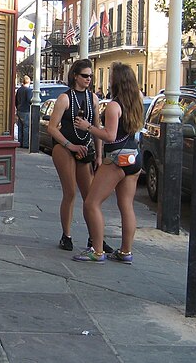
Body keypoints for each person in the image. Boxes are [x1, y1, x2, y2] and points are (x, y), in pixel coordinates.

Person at [72, 62, 143, 263]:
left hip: (116, 159)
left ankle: (97, 250)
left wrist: (88, 127)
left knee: (92, 203)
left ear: (117, 81)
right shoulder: (136, 101)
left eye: (111, 76)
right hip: (134, 158)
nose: (109, 80)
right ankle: (126, 251)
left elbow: (109, 135)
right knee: (126, 205)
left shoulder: (114, 105)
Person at [47, 59, 106, 252]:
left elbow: (97, 128)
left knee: (90, 196)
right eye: (85, 76)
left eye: (90, 76)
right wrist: (69, 145)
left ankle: (94, 238)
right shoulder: (65, 98)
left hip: (84, 147)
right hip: (65, 147)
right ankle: (67, 235)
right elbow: (52, 128)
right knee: (70, 192)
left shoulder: (93, 99)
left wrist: (99, 154)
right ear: (75, 76)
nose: (88, 79)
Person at [15, 75, 33, 148]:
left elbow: (15, 100)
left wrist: (17, 107)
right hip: (26, 110)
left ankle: (20, 142)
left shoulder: (19, 89)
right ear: (29, 82)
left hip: (19, 110)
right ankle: (25, 144)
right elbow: (29, 100)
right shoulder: (28, 90)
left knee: (20, 127)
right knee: (26, 127)